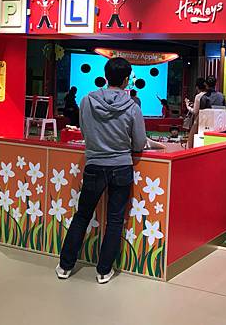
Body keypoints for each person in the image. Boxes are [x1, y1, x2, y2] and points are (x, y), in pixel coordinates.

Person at [56, 57, 164, 284]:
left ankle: (65, 266)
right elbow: (139, 143)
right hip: (121, 167)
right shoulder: (133, 107)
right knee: (115, 221)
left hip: (94, 165)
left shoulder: (87, 101)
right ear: (126, 79)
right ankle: (104, 271)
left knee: (82, 215)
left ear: (106, 77)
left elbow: (84, 131)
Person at [186, 77, 207, 148]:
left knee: (192, 141)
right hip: (208, 120)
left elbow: (195, 111)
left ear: (197, 87)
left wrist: (187, 106)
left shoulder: (198, 96)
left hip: (199, 120)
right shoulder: (208, 94)